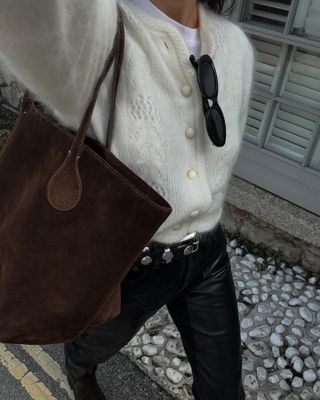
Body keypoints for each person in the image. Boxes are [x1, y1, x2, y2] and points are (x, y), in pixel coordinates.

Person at [0, 0, 255, 398]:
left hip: (208, 256)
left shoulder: (233, 44)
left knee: (225, 390)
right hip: (131, 262)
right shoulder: (95, 23)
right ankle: (78, 366)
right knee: (92, 347)